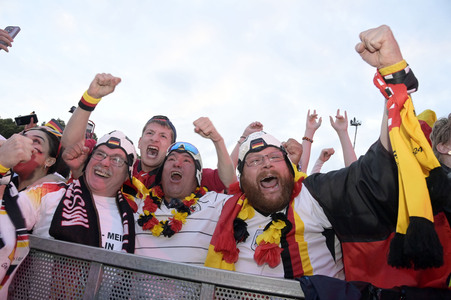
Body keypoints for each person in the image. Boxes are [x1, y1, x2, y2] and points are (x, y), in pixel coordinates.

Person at [205, 25, 451, 296]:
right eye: (254, 161)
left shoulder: (313, 196)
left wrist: (392, 72)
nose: (266, 164)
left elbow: (376, 175)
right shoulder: (219, 209)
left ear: (289, 168)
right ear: (240, 178)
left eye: (275, 157)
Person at [134, 141, 232, 265]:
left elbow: (233, 183)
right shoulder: (137, 205)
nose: (177, 164)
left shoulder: (216, 203)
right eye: (171, 159)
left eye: (186, 161)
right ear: (162, 173)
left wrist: (217, 139)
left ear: (197, 176)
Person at [134, 115, 236, 192]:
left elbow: (228, 181)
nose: (154, 139)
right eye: (150, 133)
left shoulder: (184, 174)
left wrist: (218, 141)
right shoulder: (122, 166)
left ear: (171, 149)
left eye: (163, 136)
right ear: (139, 142)